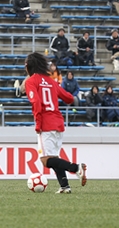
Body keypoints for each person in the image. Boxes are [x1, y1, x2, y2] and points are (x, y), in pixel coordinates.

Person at [24, 52, 86, 194]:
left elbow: (37, 103)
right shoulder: (51, 81)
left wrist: (38, 125)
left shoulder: (31, 82)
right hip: (58, 123)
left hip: (46, 124)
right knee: (54, 157)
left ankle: (76, 168)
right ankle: (65, 186)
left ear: (28, 67)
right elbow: (69, 98)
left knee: (45, 160)